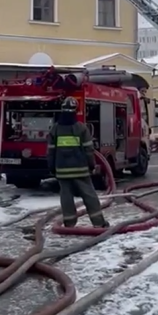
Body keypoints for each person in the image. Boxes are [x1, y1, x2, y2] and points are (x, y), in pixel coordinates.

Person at [48, 98, 108, 228]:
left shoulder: (55, 129)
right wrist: (91, 165)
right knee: (89, 196)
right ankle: (99, 223)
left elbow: (51, 151)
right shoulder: (81, 128)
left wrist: (52, 167)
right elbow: (88, 150)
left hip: (62, 170)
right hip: (81, 170)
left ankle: (69, 223)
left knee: (66, 197)